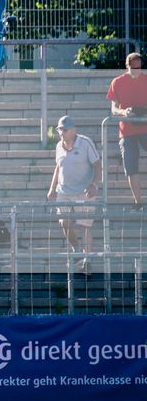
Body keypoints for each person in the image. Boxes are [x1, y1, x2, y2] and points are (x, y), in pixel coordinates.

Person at [48, 115, 102, 270]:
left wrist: (94, 184)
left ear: (73, 130)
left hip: (84, 191)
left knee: (85, 225)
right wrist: (52, 188)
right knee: (64, 222)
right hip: (63, 191)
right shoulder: (59, 146)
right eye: (59, 130)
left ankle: (87, 260)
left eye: (65, 130)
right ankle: (76, 250)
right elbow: (58, 167)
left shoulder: (85, 143)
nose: (61, 133)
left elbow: (97, 165)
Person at [108, 52, 146, 207]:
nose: (136, 71)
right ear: (127, 66)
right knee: (131, 167)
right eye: (133, 68)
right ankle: (138, 202)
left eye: (138, 67)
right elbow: (114, 109)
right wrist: (124, 112)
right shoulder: (117, 82)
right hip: (127, 130)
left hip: (145, 127)